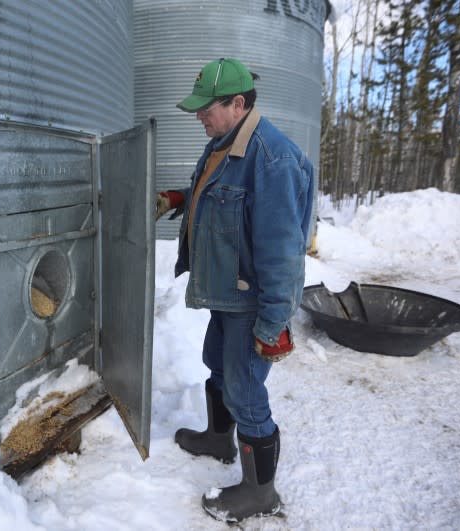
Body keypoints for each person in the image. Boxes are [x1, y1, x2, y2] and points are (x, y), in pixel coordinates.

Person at [156, 58, 315, 524]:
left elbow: (283, 254)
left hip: (251, 302)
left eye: (207, 108)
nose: (199, 116)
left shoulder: (273, 159)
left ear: (238, 103)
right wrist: (179, 200)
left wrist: (272, 324)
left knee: (246, 390)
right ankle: (218, 439)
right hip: (226, 292)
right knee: (218, 368)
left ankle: (260, 492)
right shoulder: (221, 145)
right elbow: (217, 194)